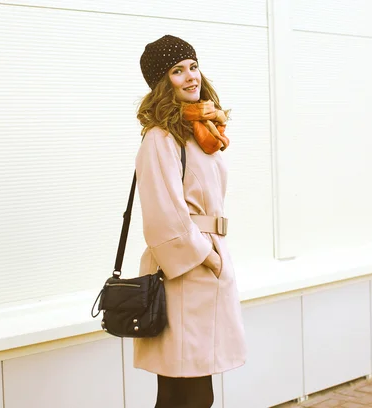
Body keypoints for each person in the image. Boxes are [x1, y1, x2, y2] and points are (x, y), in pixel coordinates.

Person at [133, 35, 247, 408]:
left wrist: (215, 258)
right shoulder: (160, 137)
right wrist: (207, 257)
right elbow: (163, 214)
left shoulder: (203, 132)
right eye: (177, 71)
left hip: (203, 267)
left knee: (188, 391)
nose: (190, 77)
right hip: (184, 271)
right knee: (189, 393)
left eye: (193, 67)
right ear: (163, 83)